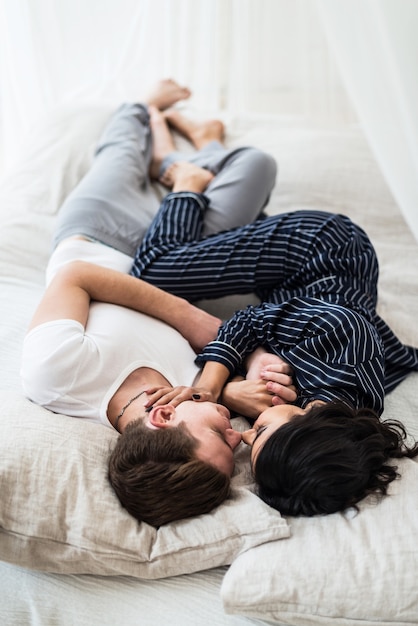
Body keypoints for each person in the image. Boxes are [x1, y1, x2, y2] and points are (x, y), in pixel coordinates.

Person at [21, 79, 291, 528]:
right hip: (181, 251)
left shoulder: (59, 375)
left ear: (162, 416)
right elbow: (245, 340)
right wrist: (235, 381)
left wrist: (190, 318)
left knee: (120, 154)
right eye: (235, 442)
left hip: (102, 233)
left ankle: (147, 108)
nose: (239, 436)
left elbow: (77, 277)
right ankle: (193, 153)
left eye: (219, 436)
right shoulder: (199, 392)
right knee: (257, 165)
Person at [128, 153, 418, 517]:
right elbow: (249, 321)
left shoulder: (330, 426)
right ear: (308, 416)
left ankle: (214, 156)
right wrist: (213, 388)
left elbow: (261, 344)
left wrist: (244, 380)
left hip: (285, 288)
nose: (244, 435)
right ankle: (188, 178)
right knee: (153, 271)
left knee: (211, 242)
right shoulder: (345, 338)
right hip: (322, 250)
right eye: (259, 431)